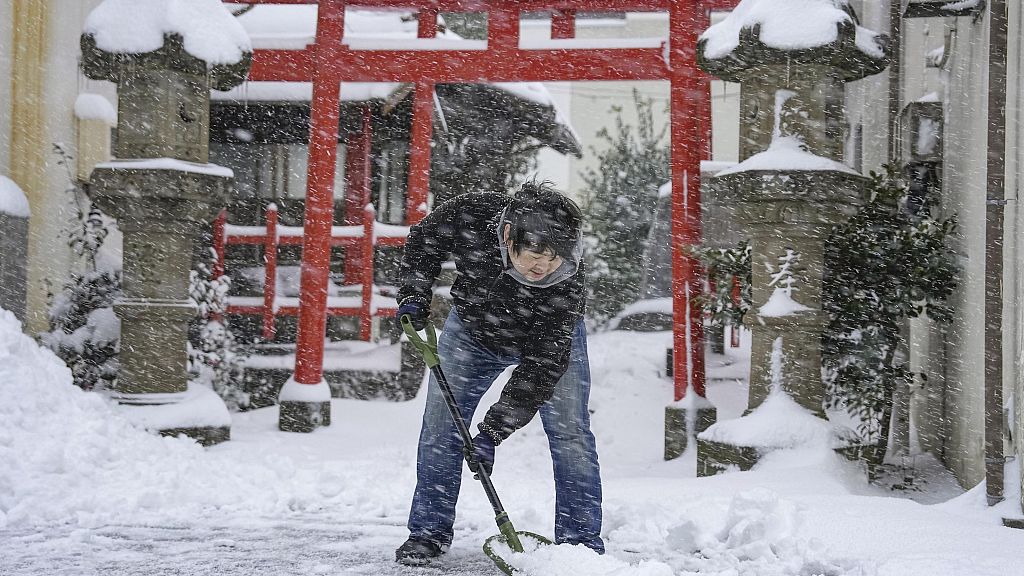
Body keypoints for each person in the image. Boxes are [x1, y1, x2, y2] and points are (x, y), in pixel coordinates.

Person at [394, 181, 603, 565]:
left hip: (545, 340)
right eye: (535, 256)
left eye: (555, 259)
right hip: (472, 332)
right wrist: (414, 293)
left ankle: (580, 544)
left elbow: (542, 367)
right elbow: (424, 241)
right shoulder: (472, 213)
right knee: (441, 428)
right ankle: (428, 532)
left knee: (570, 432)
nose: (543, 267)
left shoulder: (567, 286)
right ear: (508, 236)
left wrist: (492, 432)